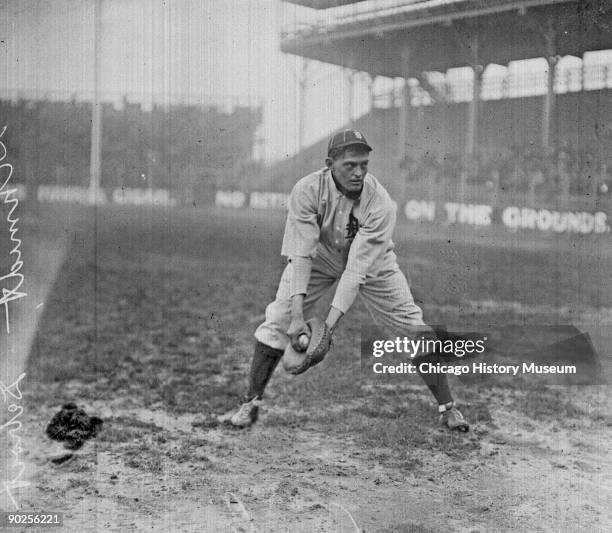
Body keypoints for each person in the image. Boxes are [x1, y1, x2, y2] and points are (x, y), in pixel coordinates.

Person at [224, 129, 469, 431]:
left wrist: (326, 329)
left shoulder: (380, 203)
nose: (359, 172)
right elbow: (300, 254)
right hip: (320, 256)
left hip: (373, 262)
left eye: (364, 164)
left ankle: (448, 408)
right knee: (278, 318)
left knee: (412, 325)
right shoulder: (307, 190)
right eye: (350, 165)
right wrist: (298, 316)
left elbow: (355, 271)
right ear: (330, 164)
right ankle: (251, 403)